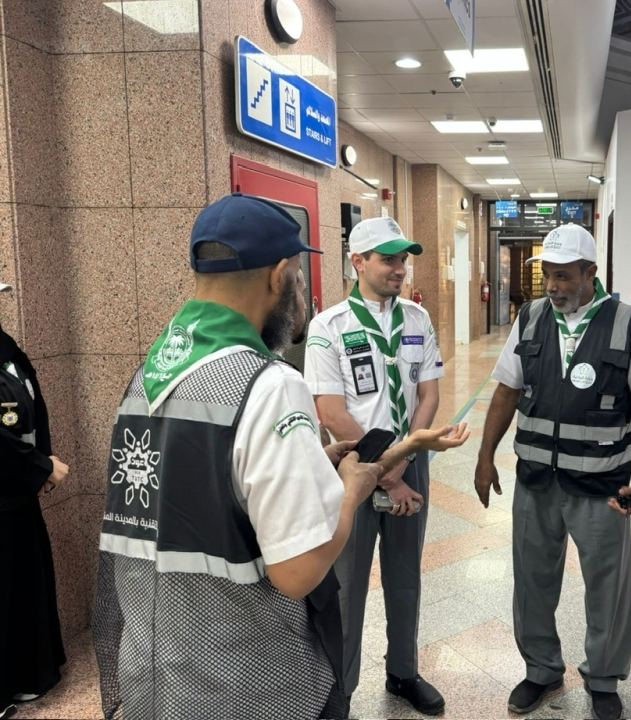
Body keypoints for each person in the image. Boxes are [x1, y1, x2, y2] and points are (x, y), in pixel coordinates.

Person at [91, 194, 468, 720]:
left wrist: (315, 459)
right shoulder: (267, 385)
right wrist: (354, 489)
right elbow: (297, 573)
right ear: (279, 276)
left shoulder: (146, 377)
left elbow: (209, 490)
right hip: (245, 677)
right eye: (295, 275)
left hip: (158, 670)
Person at [474, 223, 631, 720]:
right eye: (548, 277)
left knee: (607, 585)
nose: (554, 287)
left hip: (603, 486)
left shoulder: (628, 324)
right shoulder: (532, 318)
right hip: (537, 479)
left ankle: (603, 677)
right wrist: (484, 455)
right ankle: (540, 669)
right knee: (532, 579)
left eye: (564, 276)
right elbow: (506, 390)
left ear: (590, 272)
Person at [304, 217, 445, 716]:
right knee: (347, 585)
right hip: (353, 472)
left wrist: (405, 459)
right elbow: (330, 411)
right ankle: (339, 689)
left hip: (410, 464)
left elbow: (428, 393)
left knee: (405, 578)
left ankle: (403, 672)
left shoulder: (417, 320)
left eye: (404, 259)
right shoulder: (329, 327)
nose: (400, 269)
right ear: (357, 262)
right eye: (388, 259)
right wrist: (388, 472)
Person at [0, 282, 69, 720]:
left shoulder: (6, 347)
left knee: (21, 587)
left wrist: (39, 463)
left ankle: (25, 675)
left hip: (16, 495)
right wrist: (40, 467)